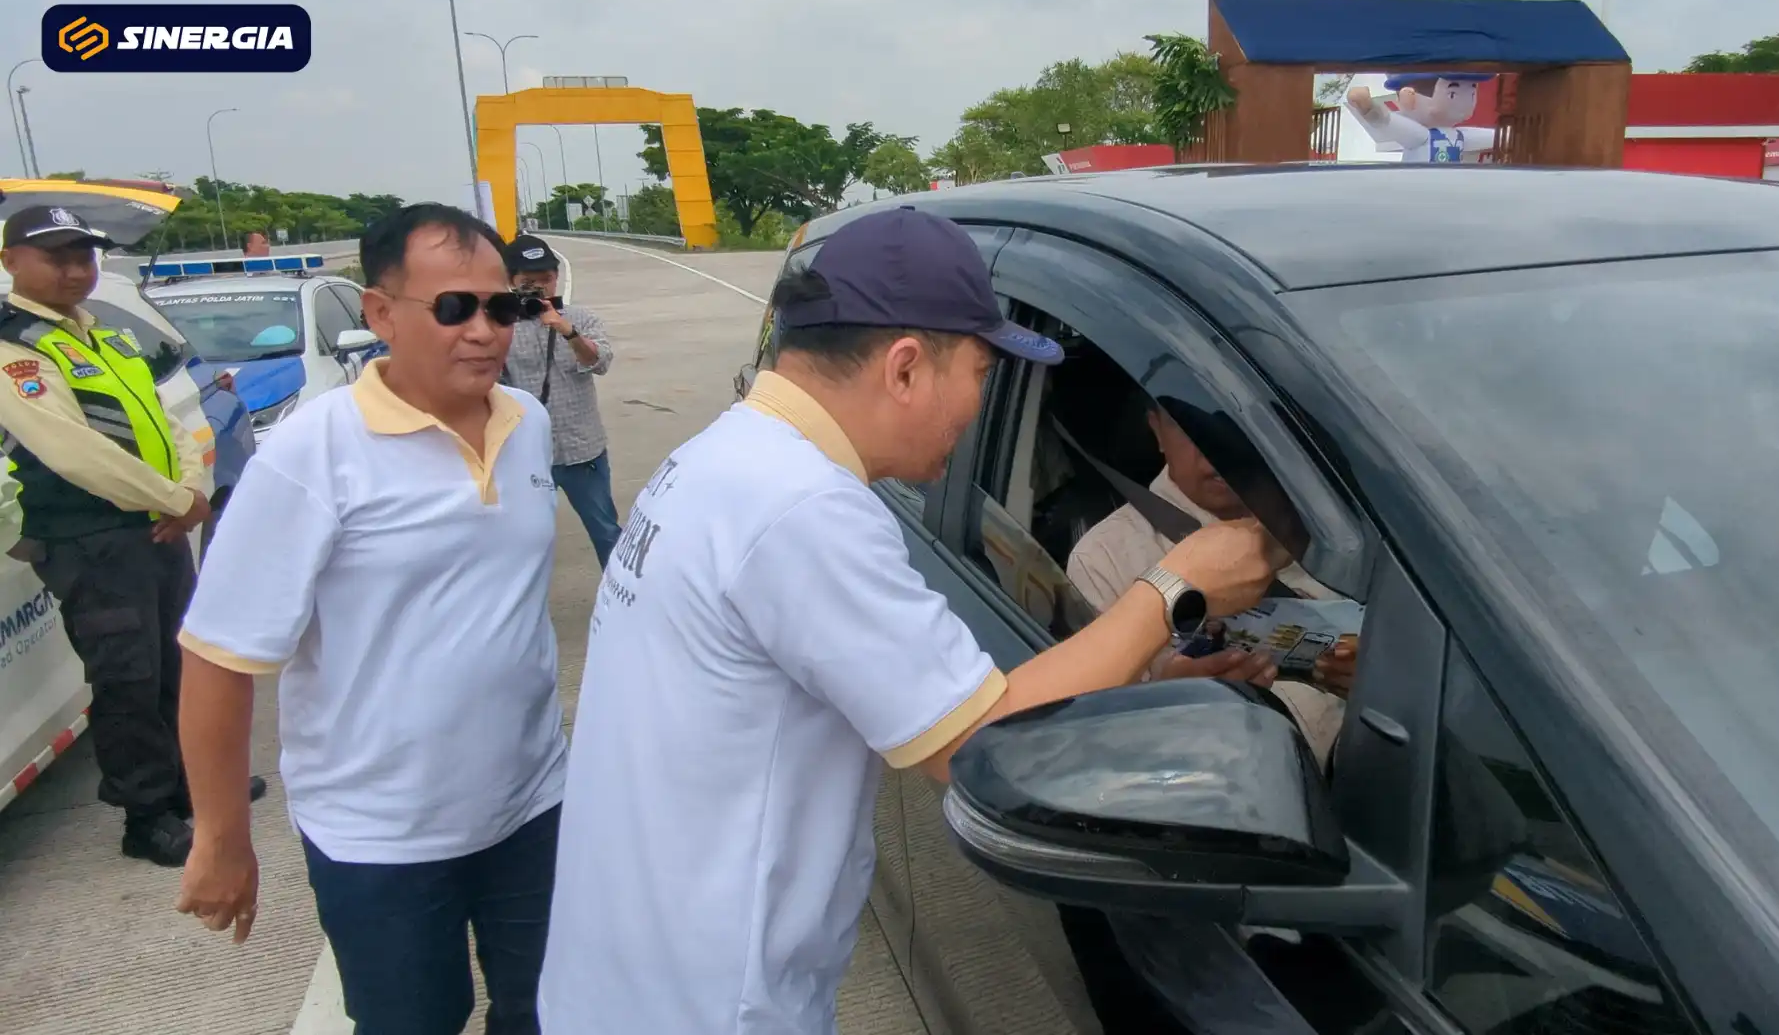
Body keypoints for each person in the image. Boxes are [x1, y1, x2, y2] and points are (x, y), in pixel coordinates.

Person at [538, 207, 1282, 1035]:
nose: (979, 406)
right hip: (707, 1005)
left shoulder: (725, 458)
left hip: (631, 974)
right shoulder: (802, 508)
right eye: (981, 373)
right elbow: (980, 744)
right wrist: (1176, 583)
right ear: (903, 367)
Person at [173, 204, 567, 1035]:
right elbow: (219, 657)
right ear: (380, 313)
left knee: (554, 1010)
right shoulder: (310, 455)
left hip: (530, 809)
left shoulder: (527, 425)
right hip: (379, 838)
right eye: (454, 308)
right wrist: (221, 839)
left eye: (504, 308)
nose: (485, 332)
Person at [0, 205, 264, 867]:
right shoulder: (15, 347)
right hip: (93, 539)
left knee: (181, 666)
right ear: (10, 263)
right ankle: (146, 817)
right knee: (127, 680)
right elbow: (72, 452)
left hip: (157, 526)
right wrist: (178, 499)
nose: (73, 268)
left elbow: (167, 419)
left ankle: (193, 788)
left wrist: (193, 490)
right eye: (55, 256)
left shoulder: (102, 335)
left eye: (83, 255)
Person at [1068, 400, 1359, 764]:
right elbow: (1101, 739)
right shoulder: (1104, 558)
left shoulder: (1337, 528)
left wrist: (1371, 679)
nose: (1216, 451)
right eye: (1191, 428)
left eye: (1232, 426)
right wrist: (1170, 699)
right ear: (1157, 430)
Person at [501, 233, 621, 566]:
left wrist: (567, 331)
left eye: (546, 279)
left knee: (606, 531)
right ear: (510, 281)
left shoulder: (581, 319)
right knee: (527, 542)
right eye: (529, 282)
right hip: (528, 454)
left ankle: (628, 603)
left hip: (583, 451)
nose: (540, 288)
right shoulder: (499, 326)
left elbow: (602, 361)